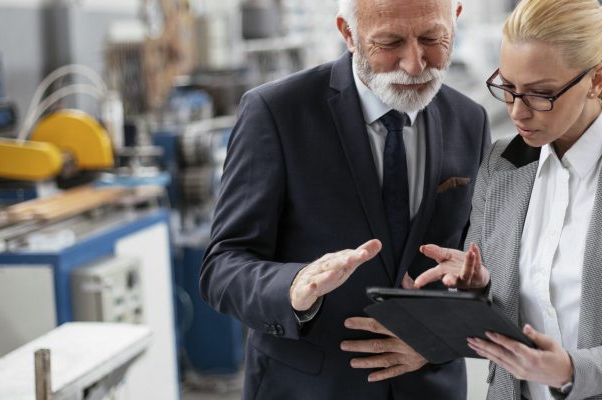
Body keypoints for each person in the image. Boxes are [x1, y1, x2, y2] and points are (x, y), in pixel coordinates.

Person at [199, 0, 491, 398]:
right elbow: (223, 265)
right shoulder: (277, 112)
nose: (414, 63)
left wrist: (440, 337)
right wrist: (293, 287)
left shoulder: (470, 119)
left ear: (455, 20)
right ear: (347, 33)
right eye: (389, 42)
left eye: (432, 38)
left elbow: (480, 265)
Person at [414, 0, 602, 399]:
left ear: (596, 80)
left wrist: (571, 369)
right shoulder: (501, 164)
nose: (517, 111)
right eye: (508, 88)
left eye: (540, 94)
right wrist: (476, 288)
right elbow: (496, 319)